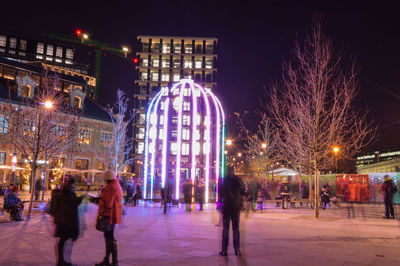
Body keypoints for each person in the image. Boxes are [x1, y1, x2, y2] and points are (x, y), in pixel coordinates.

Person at [50, 176, 85, 266]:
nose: (74, 187)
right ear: (71, 185)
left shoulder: (60, 194)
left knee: (62, 240)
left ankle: (61, 261)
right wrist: (81, 198)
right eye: (73, 185)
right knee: (66, 241)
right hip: (67, 223)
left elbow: (54, 209)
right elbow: (73, 205)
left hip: (61, 221)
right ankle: (63, 261)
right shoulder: (69, 194)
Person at [96, 170, 123, 266]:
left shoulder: (111, 187)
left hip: (109, 215)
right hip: (112, 214)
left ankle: (114, 261)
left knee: (110, 237)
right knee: (108, 237)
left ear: (107, 179)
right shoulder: (115, 185)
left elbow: (108, 203)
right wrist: (104, 191)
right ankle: (107, 259)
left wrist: (99, 199)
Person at [219, 172, 246, 256]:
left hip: (227, 207)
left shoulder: (224, 181)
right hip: (236, 207)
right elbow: (244, 192)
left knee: (226, 229)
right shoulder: (238, 181)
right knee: (236, 229)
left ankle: (224, 250)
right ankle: (237, 249)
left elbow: (219, 191)